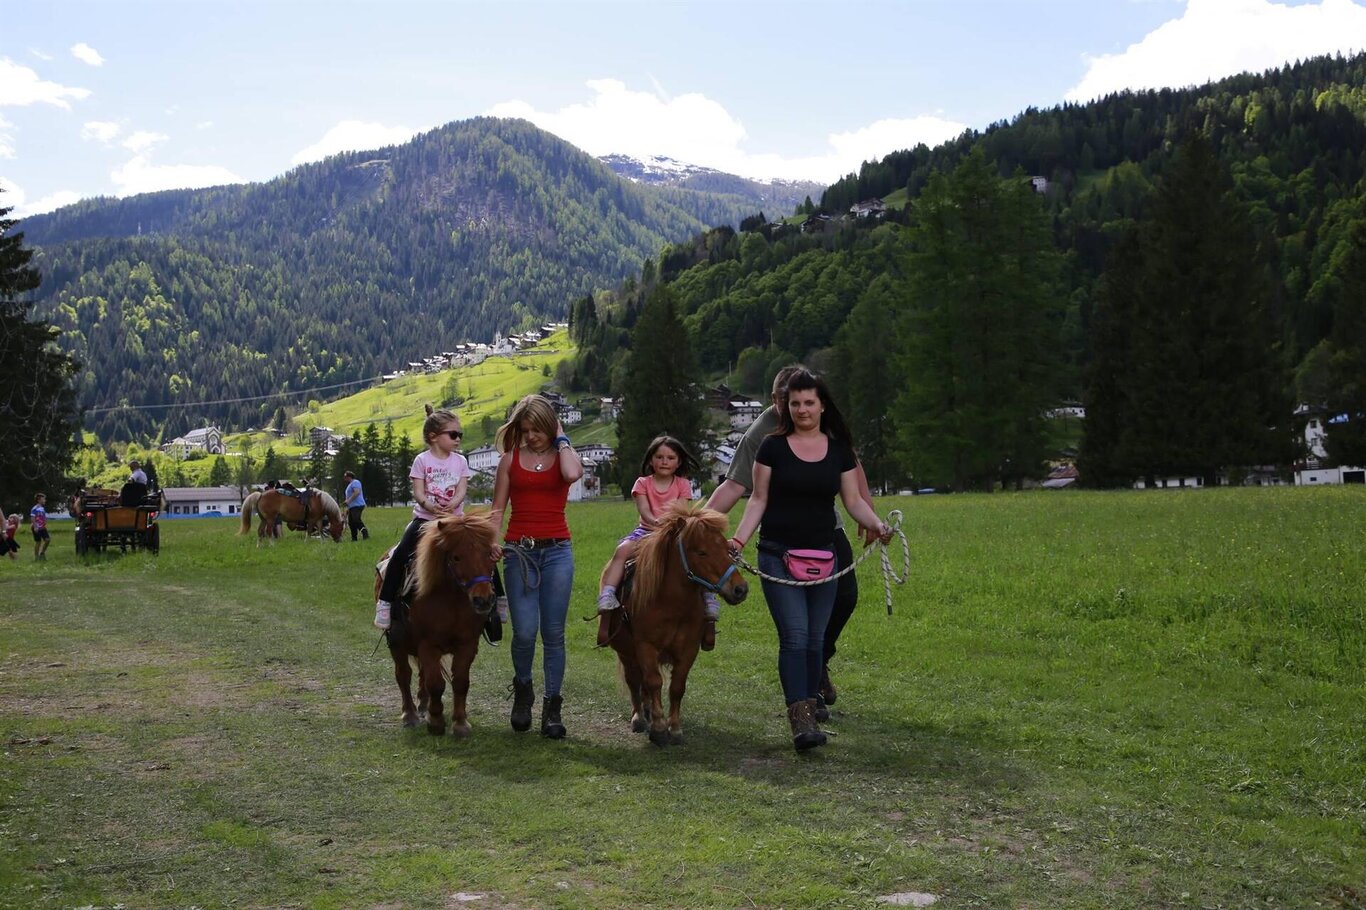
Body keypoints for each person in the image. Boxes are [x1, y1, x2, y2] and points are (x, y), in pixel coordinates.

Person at [726, 368, 891, 752]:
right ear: (786, 405)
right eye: (795, 403)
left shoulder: (838, 451)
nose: (801, 409)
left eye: (809, 403)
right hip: (777, 554)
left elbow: (852, 502)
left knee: (816, 639)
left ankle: (811, 701)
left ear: (822, 405)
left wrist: (877, 524)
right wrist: (738, 538)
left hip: (824, 556)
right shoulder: (770, 447)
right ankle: (800, 720)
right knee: (796, 637)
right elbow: (758, 499)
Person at [490, 394, 582, 739]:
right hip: (519, 553)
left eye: (537, 429)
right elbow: (498, 509)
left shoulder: (563, 456)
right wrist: (492, 540)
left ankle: (552, 707)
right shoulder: (509, 461)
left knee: (553, 634)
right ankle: (523, 690)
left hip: (558, 551)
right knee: (525, 632)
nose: (531, 436)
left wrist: (561, 437)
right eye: (525, 430)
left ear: (550, 426)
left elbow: (573, 473)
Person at [595, 435, 720, 649]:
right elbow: (644, 511)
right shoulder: (642, 483)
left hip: (675, 534)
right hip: (646, 531)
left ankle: (708, 598)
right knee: (622, 550)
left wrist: (670, 528)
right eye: (659, 456)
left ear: (678, 462)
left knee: (697, 559)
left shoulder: (682, 484)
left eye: (670, 457)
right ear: (651, 460)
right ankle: (608, 595)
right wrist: (657, 524)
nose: (664, 461)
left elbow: (682, 511)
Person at [373, 405, 471, 630]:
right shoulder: (421, 460)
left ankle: (495, 605)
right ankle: (385, 603)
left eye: (460, 435)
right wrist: (430, 506)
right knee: (399, 555)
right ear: (433, 437)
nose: (458, 439)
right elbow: (418, 492)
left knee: (481, 552)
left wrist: (452, 505)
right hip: (425, 520)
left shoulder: (461, 461)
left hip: (455, 519)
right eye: (454, 434)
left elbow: (462, 490)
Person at [342, 470, 369, 541]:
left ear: (349, 476)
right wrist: (347, 509)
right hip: (352, 506)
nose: (344, 478)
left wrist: (348, 501)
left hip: (358, 505)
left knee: (356, 520)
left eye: (345, 476)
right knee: (351, 522)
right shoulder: (349, 485)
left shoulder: (355, 482)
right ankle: (354, 538)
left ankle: (365, 533)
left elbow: (357, 492)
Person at [30, 493, 50, 561]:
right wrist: (35, 526)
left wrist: (45, 522)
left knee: (47, 539)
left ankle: (42, 553)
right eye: (43, 499)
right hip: (36, 527)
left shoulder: (42, 508)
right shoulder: (35, 508)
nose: (45, 500)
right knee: (38, 541)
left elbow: (42, 517)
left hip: (42, 527)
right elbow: (32, 517)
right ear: (38, 500)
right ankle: (36, 557)